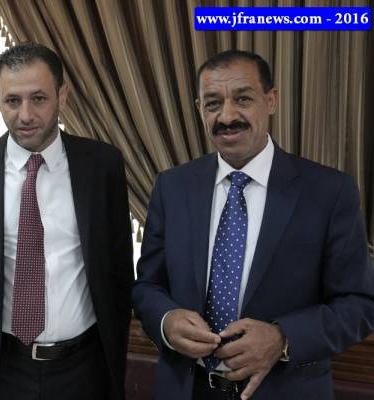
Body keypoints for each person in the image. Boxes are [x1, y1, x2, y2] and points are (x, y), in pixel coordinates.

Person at [132, 50, 374, 400]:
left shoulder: (329, 191)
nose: (227, 116)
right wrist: (166, 321)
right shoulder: (172, 187)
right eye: (213, 103)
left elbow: (359, 303)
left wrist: (283, 338)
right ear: (199, 109)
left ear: (271, 100)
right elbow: (147, 286)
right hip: (186, 389)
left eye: (243, 99)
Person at [0, 42, 133, 400]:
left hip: (84, 370)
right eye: (12, 100)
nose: (25, 115)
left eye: (38, 99)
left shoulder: (103, 165)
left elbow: (119, 272)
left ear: (62, 95)